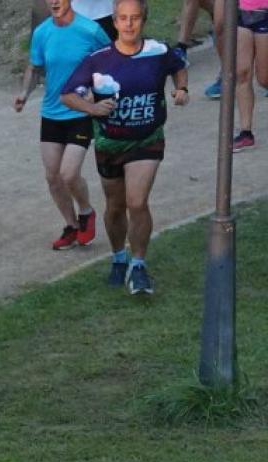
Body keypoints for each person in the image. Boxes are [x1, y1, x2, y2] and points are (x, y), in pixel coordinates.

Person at [59, 0, 189, 297]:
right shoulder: (98, 59)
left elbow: (179, 68)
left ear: (144, 19)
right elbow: (67, 95)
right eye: (123, 19)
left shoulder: (159, 51)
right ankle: (119, 257)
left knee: (137, 201)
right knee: (116, 206)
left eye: (135, 18)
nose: (129, 24)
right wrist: (92, 108)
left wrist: (182, 89)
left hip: (147, 138)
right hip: (109, 142)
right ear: (114, 22)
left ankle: (139, 265)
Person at [16, 0, 110, 249]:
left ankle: (86, 212)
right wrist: (24, 94)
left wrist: (96, 93)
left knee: (69, 173)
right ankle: (71, 226)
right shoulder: (42, 32)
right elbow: (35, 67)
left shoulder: (90, 30)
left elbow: (111, 62)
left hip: (79, 113)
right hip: (51, 113)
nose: (55, 1)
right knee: (53, 177)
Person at [232, 0, 268, 150]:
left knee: (264, 78)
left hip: (265, 12)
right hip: (241, 12)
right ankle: (246, 133)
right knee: (242, 73)